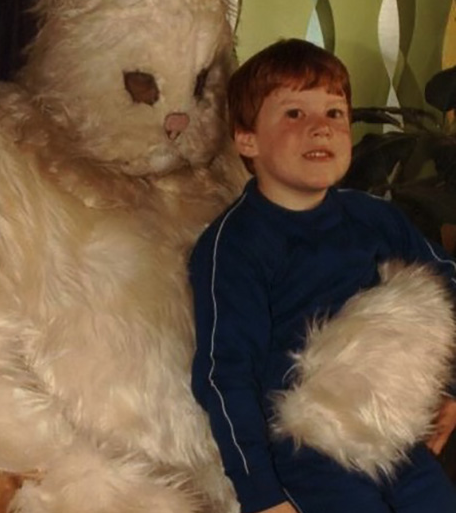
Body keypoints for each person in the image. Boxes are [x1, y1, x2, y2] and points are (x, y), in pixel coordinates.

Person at [189, 38, 456, 513]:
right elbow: (224, 374)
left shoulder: (374, 217)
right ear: (247, 139)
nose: (321, 128)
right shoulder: (233, 246)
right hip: (305, 450)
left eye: (335, 113)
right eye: (294, 113)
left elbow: (447, 286)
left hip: (391, 434)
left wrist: (449, 388)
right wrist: (261, 494)